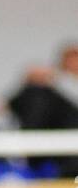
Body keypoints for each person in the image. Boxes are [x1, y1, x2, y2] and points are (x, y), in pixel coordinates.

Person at [7, 44, 78, 177]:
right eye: (71, 61)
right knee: (36, 94)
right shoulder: (52, 84)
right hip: (58, 137)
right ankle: (31, 148)